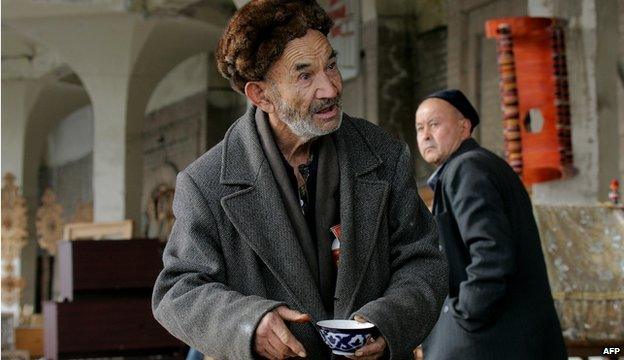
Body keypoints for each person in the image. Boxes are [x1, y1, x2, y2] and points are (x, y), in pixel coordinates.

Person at [151, 1, 448, 359]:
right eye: (305, 75)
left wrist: (386, 323)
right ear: (261, 96)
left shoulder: (384, 155)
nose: (330, 88)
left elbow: (423, 262)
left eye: (332, 66)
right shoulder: (206, 183)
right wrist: (250, 323)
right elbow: (177, 290)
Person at [415, 89, 567, 360]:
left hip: (491, 341)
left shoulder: (467, 169)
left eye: (434, 124)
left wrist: (464, 314)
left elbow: (491, 254)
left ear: (464, 127)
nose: (425, 135)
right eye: (419, 128)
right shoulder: (473, 166)